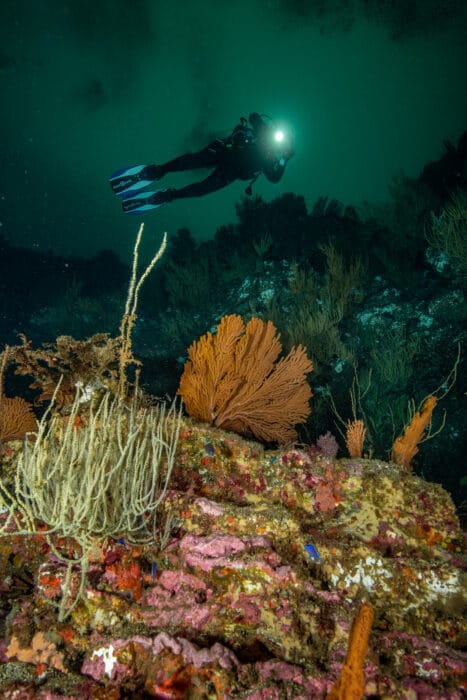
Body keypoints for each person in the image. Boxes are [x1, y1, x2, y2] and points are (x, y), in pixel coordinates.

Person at [109, 112, 294, 214]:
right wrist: (266, 130)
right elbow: (254, 116)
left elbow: (274, 178)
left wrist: (284, 160)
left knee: (202, 190)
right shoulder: (263, 132)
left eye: (282, 145)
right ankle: (158, 170)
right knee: (193, 161)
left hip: (231, 172)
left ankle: (169, 195)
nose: (277, 143)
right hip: (224, 151)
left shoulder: (272, 160)